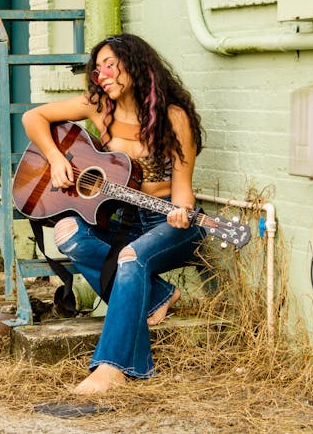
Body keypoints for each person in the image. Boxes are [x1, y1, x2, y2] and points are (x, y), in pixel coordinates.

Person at [21, 33, 205, 395]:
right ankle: (157, 296)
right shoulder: (98, 107)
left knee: (130, 257)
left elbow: (183, 187)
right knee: (67, 233)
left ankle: (111, 368)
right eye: (97, 69)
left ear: (136, 66)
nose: (101, 75)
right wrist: (57, 158)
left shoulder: (173, 117)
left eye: (110, 65)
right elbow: (34, 117)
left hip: (168, 223)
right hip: (125, 220)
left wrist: (181, 213)